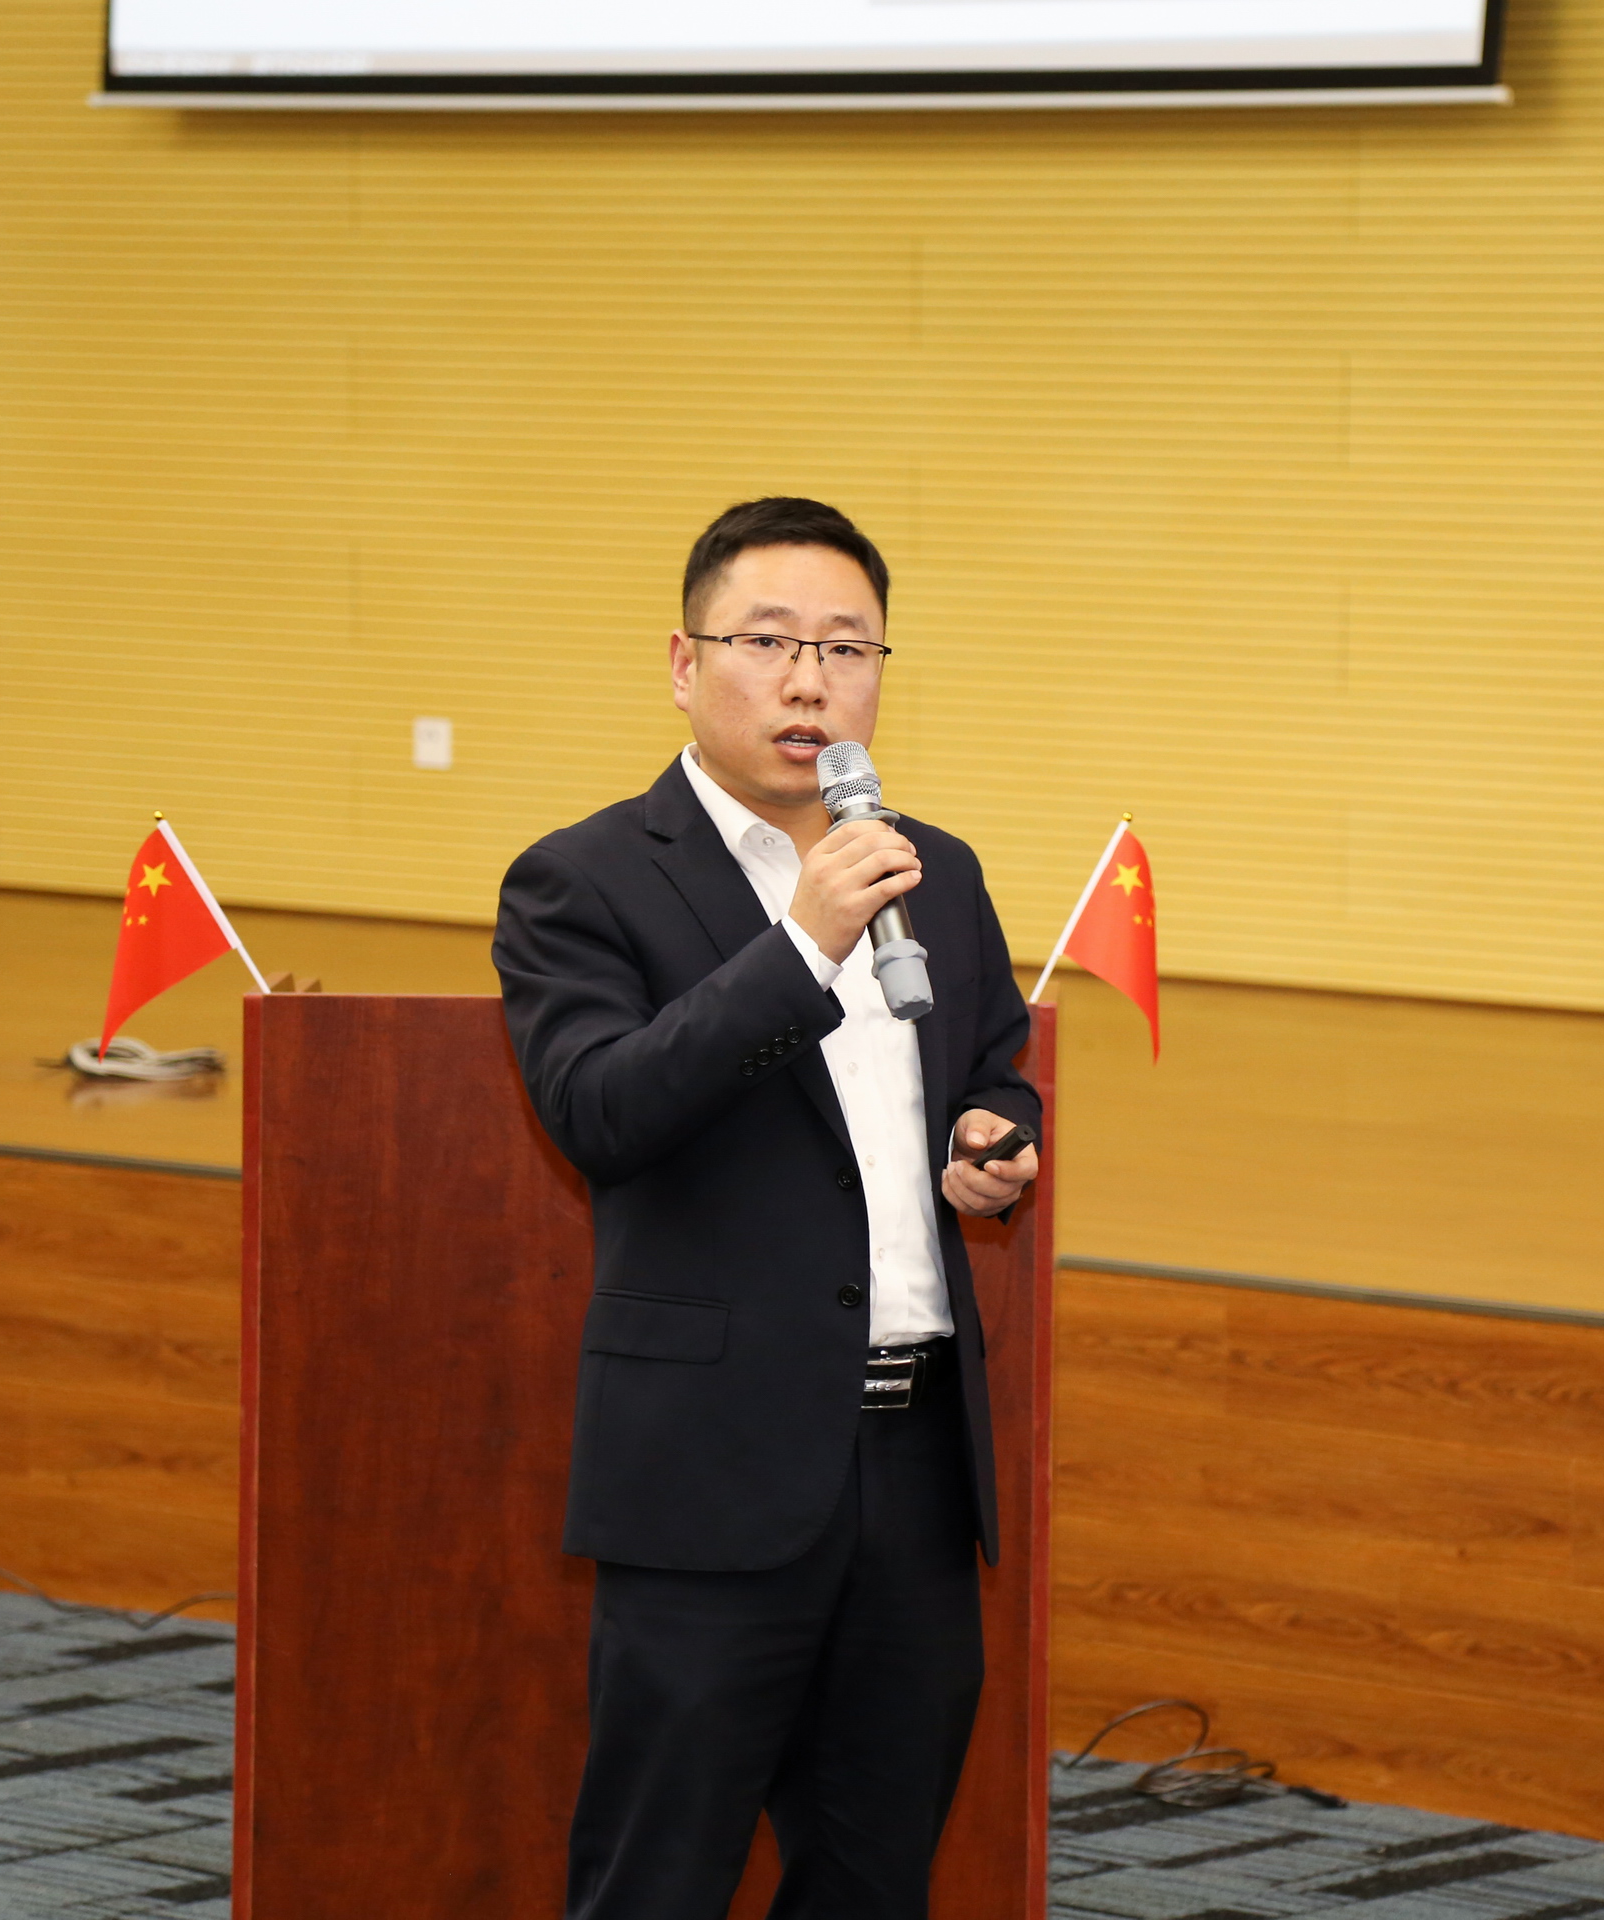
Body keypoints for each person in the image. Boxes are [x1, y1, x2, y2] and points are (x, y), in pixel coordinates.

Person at [492, 496, 1041, 1920]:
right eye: (771, 642)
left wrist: (993, 1139)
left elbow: (990, 1066)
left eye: (848, 648)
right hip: (715, 1465)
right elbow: (599, 1109)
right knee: (659, 1875)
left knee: (874, 1877)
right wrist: (803, 940)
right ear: (686, 664)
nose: (811, 682)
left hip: (914, 1460)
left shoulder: (937, 870)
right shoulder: (584, 879)